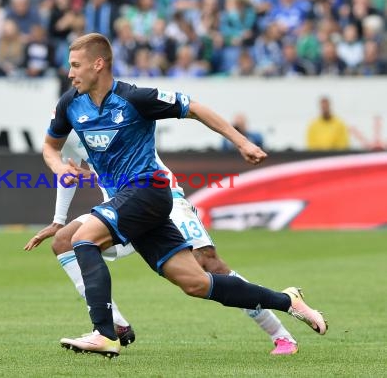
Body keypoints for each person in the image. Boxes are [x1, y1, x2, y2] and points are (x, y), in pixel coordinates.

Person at [42, 33, 327, 358]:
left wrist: (242, 142)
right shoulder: (70, 104)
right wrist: (59, 172)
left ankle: (106, 332)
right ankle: (288, 301)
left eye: (75, 65)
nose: (69, 73)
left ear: (98, 64)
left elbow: (194, 108)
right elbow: (51, 148)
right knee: (195, 283)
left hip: (151, 190)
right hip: (124, 204)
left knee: (86, 240)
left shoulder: (136, 98)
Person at [26, 129, 300, 355]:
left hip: (163, 197)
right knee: (65, 241)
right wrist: (59, 219)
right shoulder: (71, 122)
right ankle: (115, 325)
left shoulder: (121, 105)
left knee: (209, 266)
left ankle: (281, 333)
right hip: (121, 208)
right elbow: (66, 168)